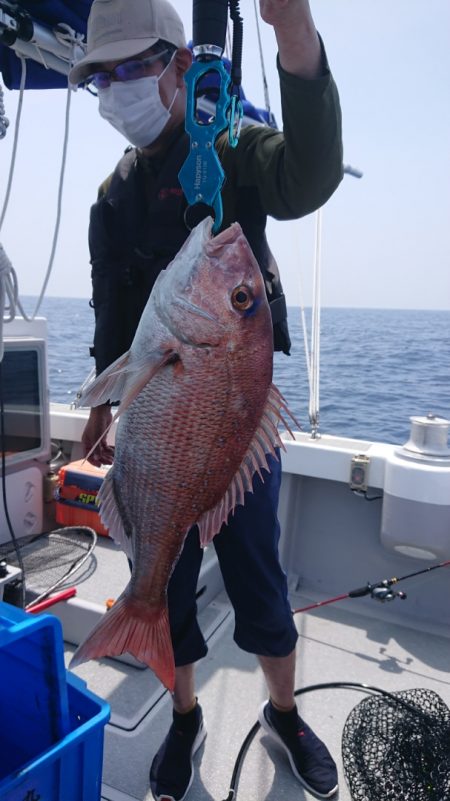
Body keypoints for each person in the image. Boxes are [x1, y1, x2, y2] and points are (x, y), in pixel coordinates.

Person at [69, 0, 343, 798]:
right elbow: (111, 312)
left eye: (133, 66)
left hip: (231, 420)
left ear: (181, 65)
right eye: (102, 76)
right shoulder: (110, 200)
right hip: (159, 429)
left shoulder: (228, 144)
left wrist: (293, 29)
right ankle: (185, 713)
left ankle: (282, 712)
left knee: (258, 573)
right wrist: (97, 406)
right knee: (164, 574)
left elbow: (309, 174)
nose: (118, 87)